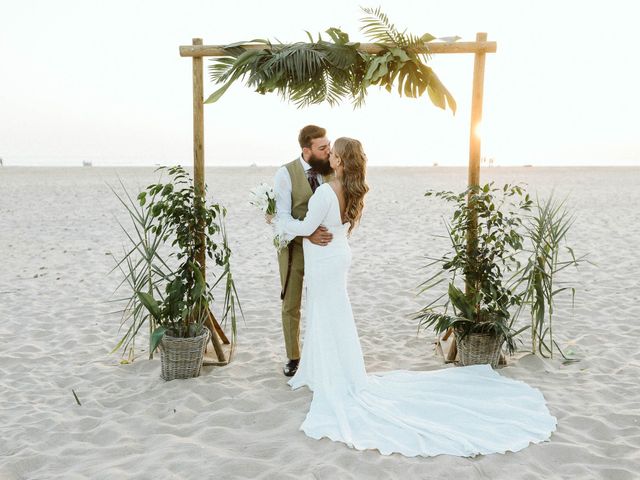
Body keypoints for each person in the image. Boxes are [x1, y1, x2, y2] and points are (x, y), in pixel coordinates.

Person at [275, 137, 557, 458]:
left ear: (339, 160)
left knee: (326, 314)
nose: (331, 159)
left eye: (334, 155)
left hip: (324, 260)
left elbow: (309, 226)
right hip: (337, 255)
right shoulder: (350, 191)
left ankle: (328, 374)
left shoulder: (326, 191)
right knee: (333, 314)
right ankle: (325, 370)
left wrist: (278, 220)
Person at [274, 125, 335, 377]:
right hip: (293, 246)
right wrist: (307, 231)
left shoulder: (329, 170)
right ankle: (293, 356)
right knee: (292, 302)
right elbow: (282, 218)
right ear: (306, 150)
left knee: (324, 299)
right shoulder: (285, 173)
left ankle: (324, 352)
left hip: (324, 246)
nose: (328, 152)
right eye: (322, 148)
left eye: (328, 146)